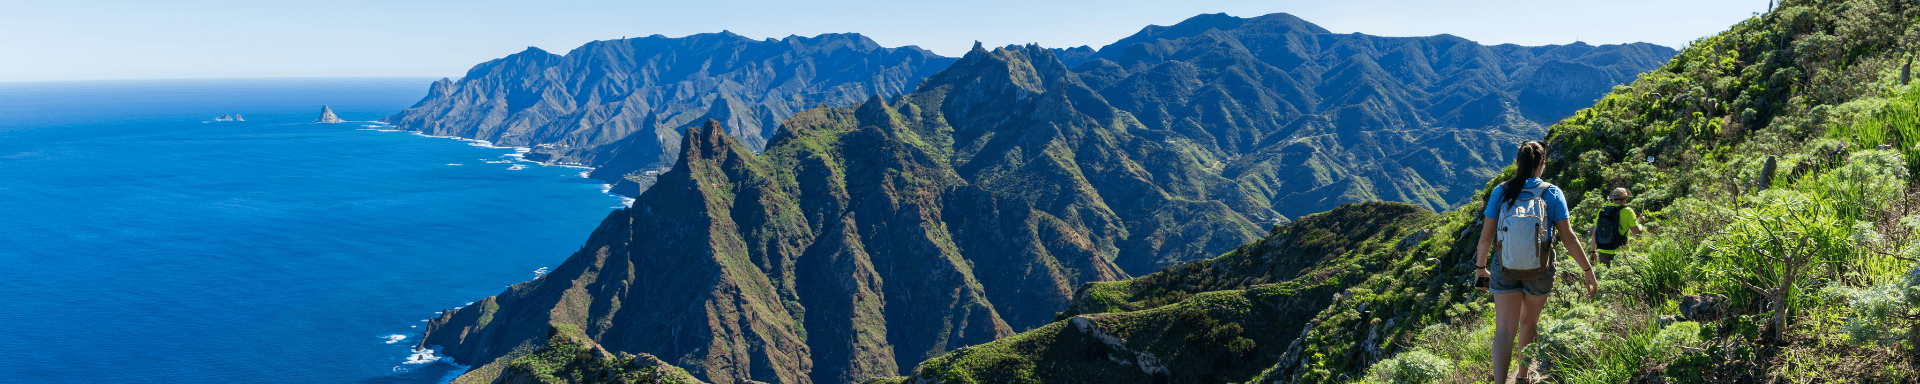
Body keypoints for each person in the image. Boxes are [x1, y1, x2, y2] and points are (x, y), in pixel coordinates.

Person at [1474, 141, 1598, 384]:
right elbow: (1568, 237)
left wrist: (1481, 268)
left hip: (1504, 267)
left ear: (1518, 163)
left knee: (1504, 329)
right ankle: (1522, 376)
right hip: (1540, 269)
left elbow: (1486, 237)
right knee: (1529, 322)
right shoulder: (1552, 193)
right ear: (1542, 164)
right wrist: (1587, 269)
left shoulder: (1501, 191)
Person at [1591, 188, 1644, 267]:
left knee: (1605, 277)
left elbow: (1594, 233)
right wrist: (1640, 223)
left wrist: (1592, 251)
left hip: (1603, 251)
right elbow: (1636, 233)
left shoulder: (1602, 210)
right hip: (1621, 253)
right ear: (1625, 199)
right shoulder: (1628, 211)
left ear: (1612, 199)